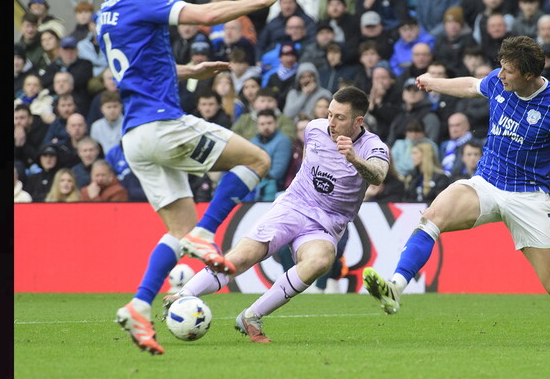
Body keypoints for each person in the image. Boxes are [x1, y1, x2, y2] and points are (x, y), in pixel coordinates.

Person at [92, 0, 286, 355]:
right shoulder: (141, 1)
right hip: (163, 125)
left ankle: (140, 305)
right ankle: (207, 230)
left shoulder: (103, 15)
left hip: (134, 139)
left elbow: (138, 70)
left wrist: (188, 69)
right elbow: (206, 13)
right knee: (258, 158)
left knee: (176, 234)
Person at [362, 35, 550, 345]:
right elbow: (471, 85)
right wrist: (434, 82)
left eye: (508, 71)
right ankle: (395, 287)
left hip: (528, 196)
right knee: (433, 215)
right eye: (500, 68)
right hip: (486, 183)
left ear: (529, 75)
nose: (500, 75)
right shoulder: (499, 81)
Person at [164, 87, 389, 342]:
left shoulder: (373, 146)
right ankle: (183, 296)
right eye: (329, 114)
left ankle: (251, 316)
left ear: (358, 121)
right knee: (243, 256)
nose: (331, 122)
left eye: (340, 118)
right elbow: (309, 164)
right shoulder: (314, 128)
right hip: (293, 205)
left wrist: (355, 159)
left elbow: (379, 175)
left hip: (326, 224)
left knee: (320, 262)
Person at [245, 109, 292, 201]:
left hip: (276, 187)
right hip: (255, 182)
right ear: (257, 126)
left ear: (276, 124)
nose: (266, 127)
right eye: (262, 124)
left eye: (269, 123)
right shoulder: (252, 142)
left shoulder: (283, 141)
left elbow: (277, 172)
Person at [232, 87, 297, 142]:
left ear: (276, 103)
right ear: (255, 103)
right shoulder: (245, 118)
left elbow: (288, 138)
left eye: (270, 101)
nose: (266, 104)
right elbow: (233, 136)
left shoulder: (285, 120)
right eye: (262, 101)